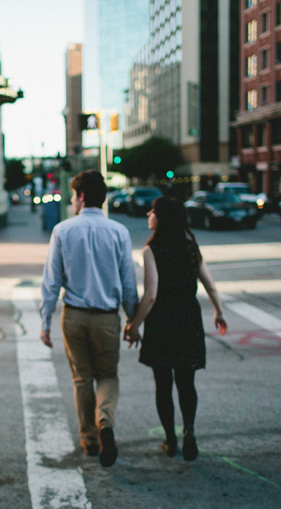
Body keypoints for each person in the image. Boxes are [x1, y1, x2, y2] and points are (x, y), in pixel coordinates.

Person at [40, 169, 139, 467]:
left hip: (75, 317)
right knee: (107, 375)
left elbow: (51, 282)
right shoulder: (119, 232)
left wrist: (45, 321)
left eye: (73, 196)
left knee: (82, 379)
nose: (71, 202)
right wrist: (132, 321)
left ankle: (89, 440)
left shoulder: (63, 230)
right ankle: (104, 423)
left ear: (81, 197)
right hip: (108, 318)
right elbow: (129, 283)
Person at [123, 196, 227, 461]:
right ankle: (189, 431)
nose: (148, 213)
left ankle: (170, 439)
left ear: (162, 217)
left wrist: (134, 326)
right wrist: (219, 312)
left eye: (153, 211)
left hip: (162, 321)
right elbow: (210, 284)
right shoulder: (191, 245)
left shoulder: (151, 250)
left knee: (163, 383)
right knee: (186, 381)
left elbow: (151, 296)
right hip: (189, 318)